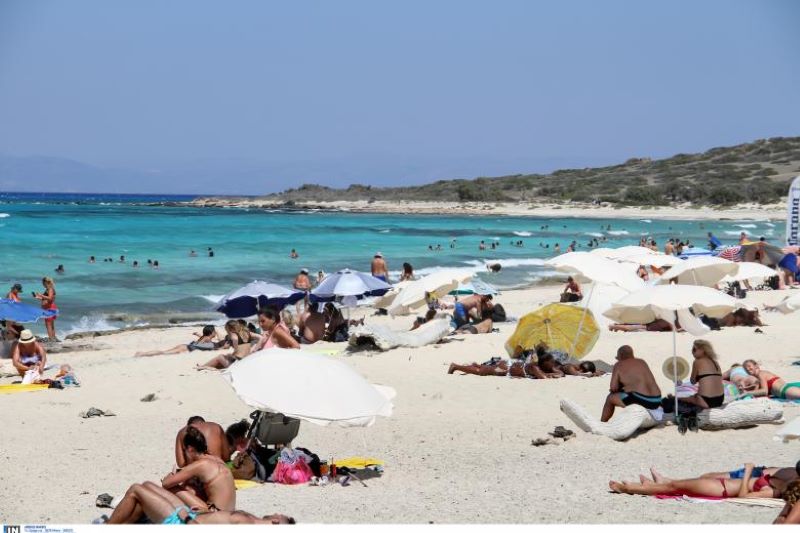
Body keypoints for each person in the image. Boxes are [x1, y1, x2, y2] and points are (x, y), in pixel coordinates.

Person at [107, 428, 235, 524]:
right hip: (223, 513)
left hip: (211, 515)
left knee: (141, 488)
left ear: (190, 449)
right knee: (147, 486)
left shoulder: (201, 465)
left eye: (184, 451)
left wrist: (173, 473)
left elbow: (166, 483)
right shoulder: (215, 460)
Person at [98, 481, 293, 525]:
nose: (277, 512)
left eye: (280, 515)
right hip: (191, 515)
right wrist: (200, 512)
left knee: (136, 490)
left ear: (277, 522)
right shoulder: (252, 520)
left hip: (183, 523)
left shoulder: (249, 525)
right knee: (147, 485)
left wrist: (187, 519)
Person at [609, 462, 796, 500]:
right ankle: (648, 486)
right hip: (720, 485)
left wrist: (747, 472)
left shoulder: (774, 491)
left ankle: (628, 489)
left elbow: (743, 496)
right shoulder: (780, 483)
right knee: (673, 486)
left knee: (673, 487)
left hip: (720, 489)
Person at [601, 345, 662, 422]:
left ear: (621, 356)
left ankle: (602, 422)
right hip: (657, 399)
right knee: (630, 394)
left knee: (610, 398)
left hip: (644, 401)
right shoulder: (642, 362)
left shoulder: (618, 365)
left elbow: (613, 388)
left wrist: (619, 388)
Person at [680, 340, 725, 409]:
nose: (692, 352)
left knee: (680, 399)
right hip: (720, 399)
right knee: (694, 396)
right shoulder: (715, 362)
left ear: (703, 350)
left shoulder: (697, 361)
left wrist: (698, 378)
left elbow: (692, 381)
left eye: (694, 349)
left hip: (705, 400)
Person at [135, 325, 219, 357]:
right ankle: (142, 354)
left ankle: (142, 353)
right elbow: (201, 344)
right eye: (215, 331)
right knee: (163, 353)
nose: (216, 332)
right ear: (211, 332)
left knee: (163, 352)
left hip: (184, 346)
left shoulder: (205, 337)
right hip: (185, 348)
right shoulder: (208, 339)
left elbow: (201, 340)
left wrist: (197, 335)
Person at [33, 277, 58, 341]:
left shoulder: (50, 289)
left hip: (49, 308)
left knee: (48, 324)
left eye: (43, 283)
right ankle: (53, 338)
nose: (43, 285)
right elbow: (46, 298)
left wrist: (41, 295)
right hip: (49, 307)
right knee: (51, 324)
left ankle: (51, 339)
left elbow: (50, 298)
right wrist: (38, 297)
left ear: (46, 282)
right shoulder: (48, 289)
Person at [608, 318, 676, 332]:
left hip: (650, 324)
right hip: (649, 326)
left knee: (632, 325)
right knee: (631, 327)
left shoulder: (667, 318)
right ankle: (614, 326)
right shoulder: (669, 320)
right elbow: (674, 329)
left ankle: (616, 326)